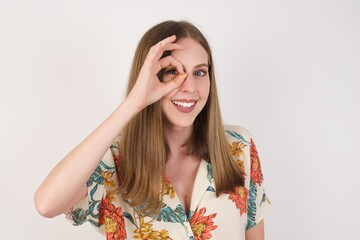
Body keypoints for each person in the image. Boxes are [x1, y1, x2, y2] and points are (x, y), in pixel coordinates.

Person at [34, 20, 271, 240]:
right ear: (149, 78)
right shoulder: (114, 160)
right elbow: (47, 204)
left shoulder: (239, 147)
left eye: (200, 72)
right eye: (172, 72)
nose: (189, 87)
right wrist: (133, 104)